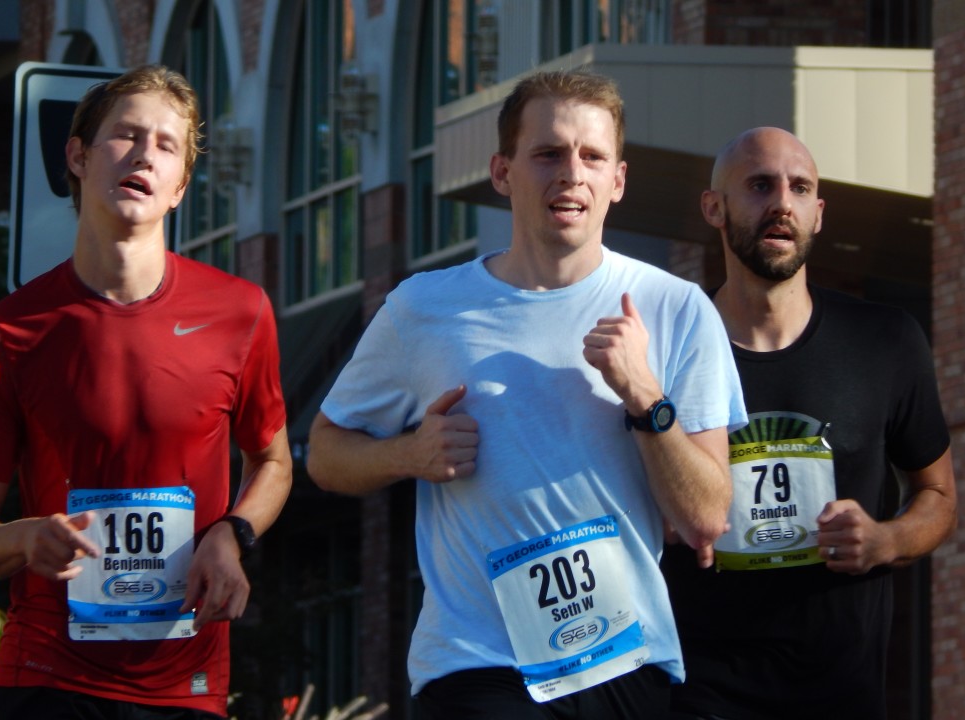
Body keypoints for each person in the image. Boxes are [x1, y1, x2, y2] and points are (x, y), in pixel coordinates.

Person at [306, 70, 747, 719]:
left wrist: (645, 397)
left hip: (624, 659)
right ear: (502, 171)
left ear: (618, 181)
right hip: (476, 662)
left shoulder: (675, 308)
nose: (571, 173)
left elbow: (706, 516)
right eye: (547, 154)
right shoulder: (424, 308)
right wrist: (410, 455)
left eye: (592, 156)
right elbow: (324, 452)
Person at [0, 65, 292, 719]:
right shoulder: (6, 333)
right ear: (76, 156)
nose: (143, 155)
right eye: (125, 136)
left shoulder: (240, 313)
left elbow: (273, 462)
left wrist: (231, 534)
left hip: (185, 682)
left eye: (166, 145)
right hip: (49, 675)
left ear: (181, 187)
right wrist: (25, 537)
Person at [661, 127, 957, 719]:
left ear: (818, 215)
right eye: (760, 185)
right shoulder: (663, 350)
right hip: (697, 693)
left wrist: (885, 540)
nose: (781, 204)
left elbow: (939, 494)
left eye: (800, 188)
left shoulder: (885, 340)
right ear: (713, 207)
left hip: (840, 693)